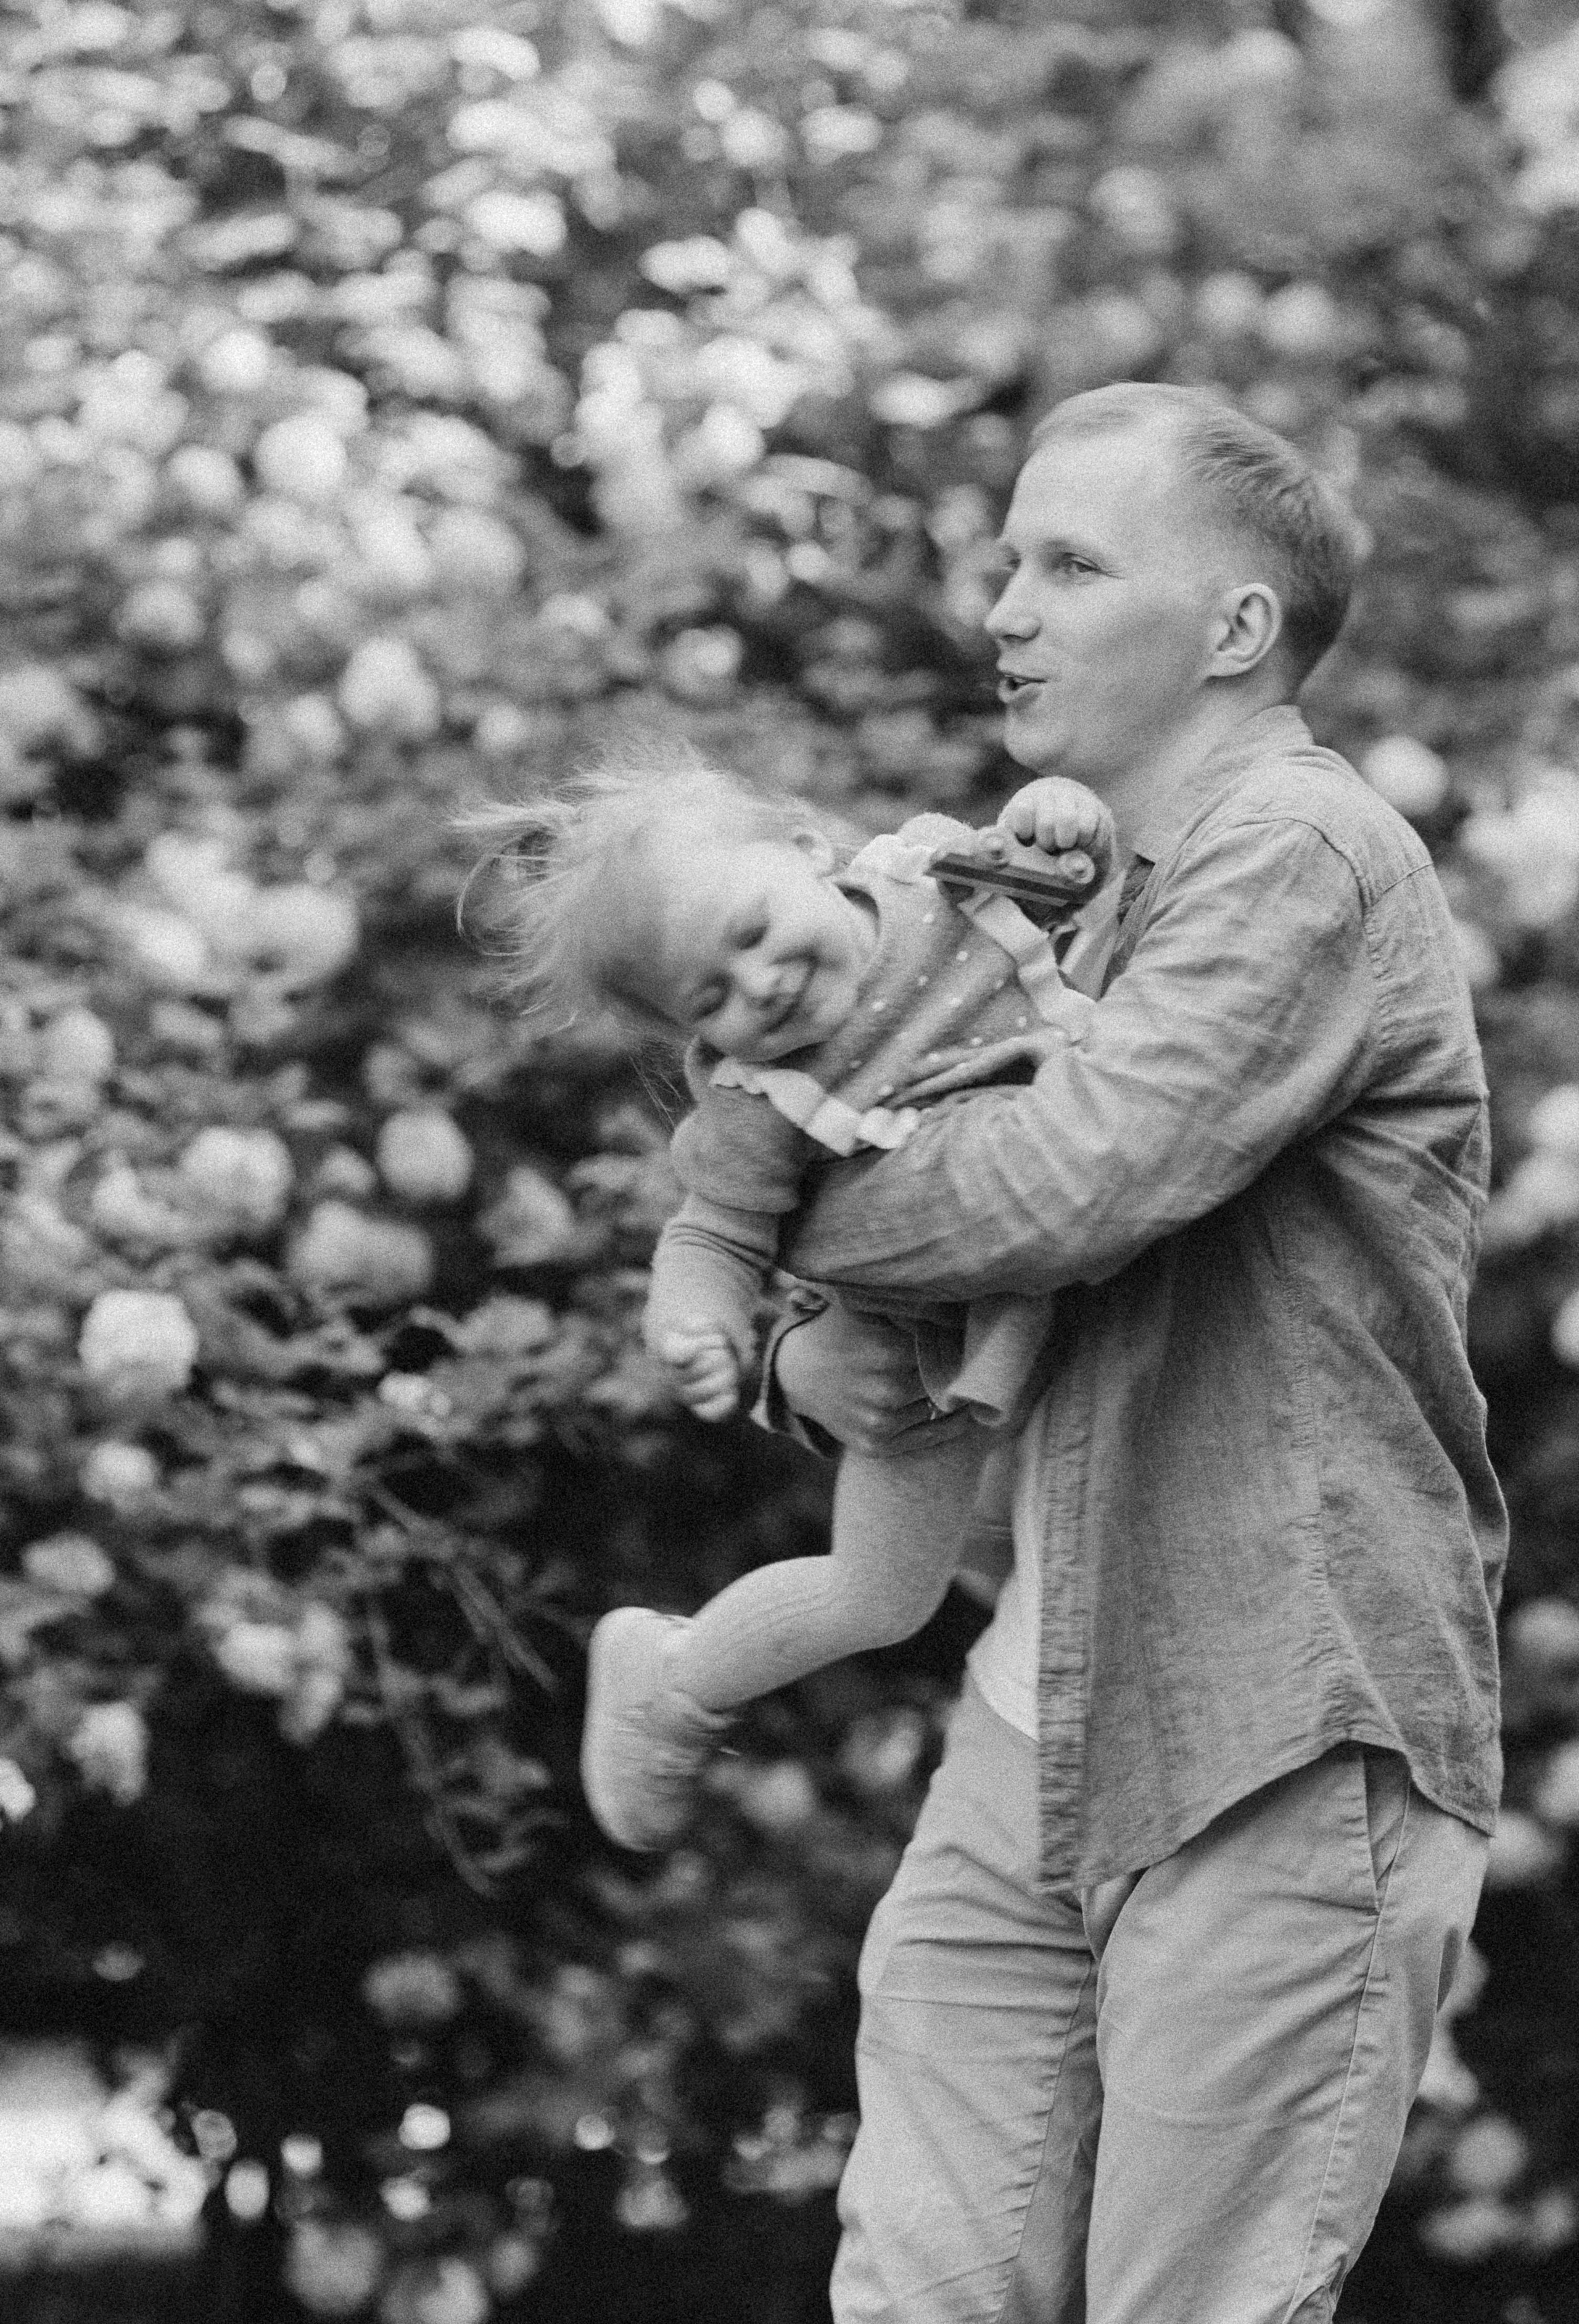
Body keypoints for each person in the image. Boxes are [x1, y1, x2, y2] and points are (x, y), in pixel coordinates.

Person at [754, 382, 1507, 2324]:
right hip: (1051, 1699)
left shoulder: (1303, 854)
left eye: (1070, 565)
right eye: (1009, 561)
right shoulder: (1058, 902)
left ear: (1238, 631)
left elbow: (1066, 1187)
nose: (1003, 608)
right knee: (914, 2288)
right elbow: (903, 1152)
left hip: (1279, 1703)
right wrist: (798, 1332)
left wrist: (757, 1211)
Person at [463, 749, 1117, 1852]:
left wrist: (1066, 812)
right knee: (881, 1597)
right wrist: (700, 1320)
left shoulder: (940, 880)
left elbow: (1081, 877)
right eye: (710, 997)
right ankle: (673, 1677)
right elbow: (710, 1232)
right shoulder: (761, 1099)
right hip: (919, 1357)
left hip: (1070, 1265)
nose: (758, 986)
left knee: (1062, 1544)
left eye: (755, 932)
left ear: (808, 850)